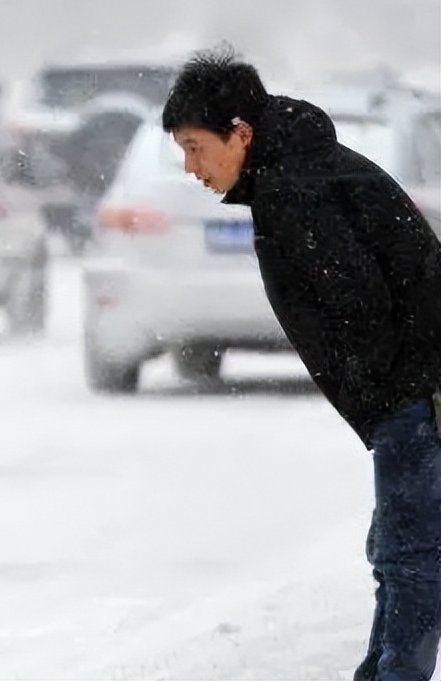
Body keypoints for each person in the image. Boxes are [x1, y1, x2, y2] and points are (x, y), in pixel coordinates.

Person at [161, 46, 441, 681]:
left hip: (418, 387)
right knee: (399, 549)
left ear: (241, 133)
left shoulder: (294, 191)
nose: (190, 167)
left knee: (412, 553)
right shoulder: (294, 174)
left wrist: (384, 401)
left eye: (195, 146)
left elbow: (358, 305)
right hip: (413, 386)